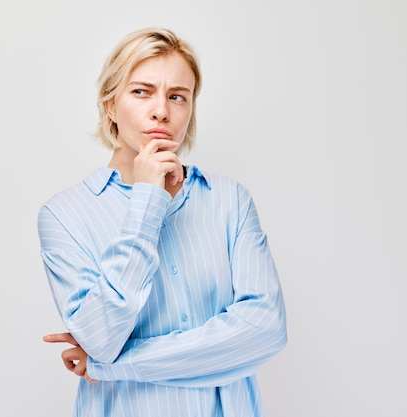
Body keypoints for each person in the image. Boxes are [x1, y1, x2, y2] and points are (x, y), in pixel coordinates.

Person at [37, 26, 287, 417]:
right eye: (141, 91)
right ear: (109, 104)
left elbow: (264, 330)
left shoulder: (229, 201)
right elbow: (101, 339)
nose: (161, 111)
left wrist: (113, 367)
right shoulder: (65, 215)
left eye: (177, 97)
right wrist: (148, 202)